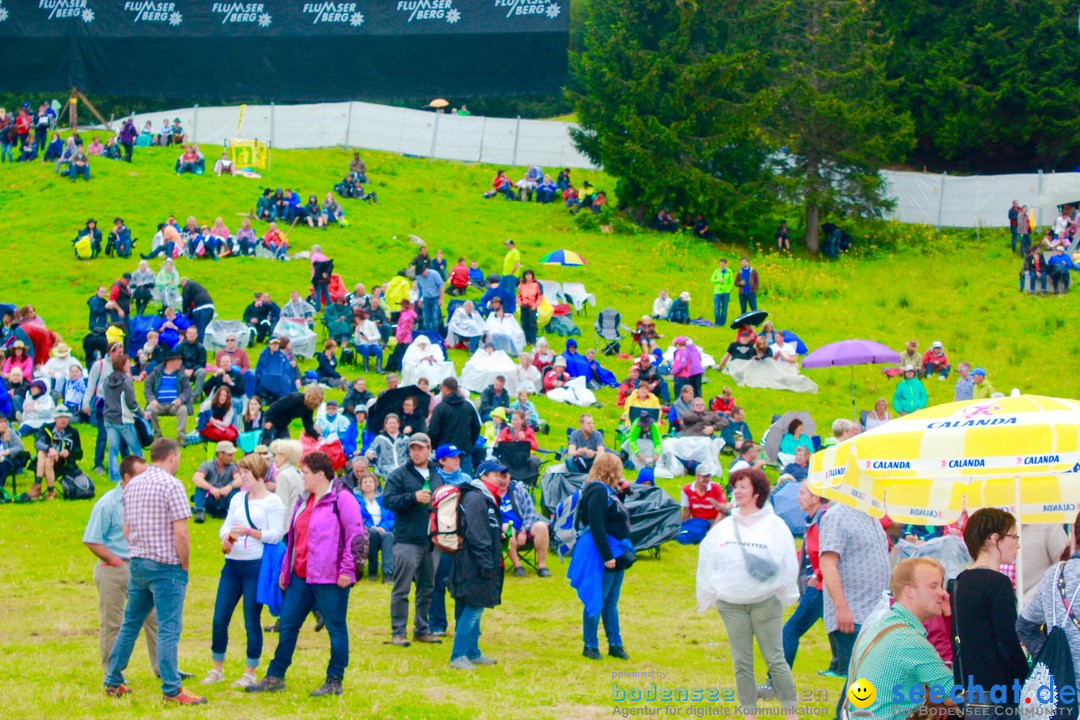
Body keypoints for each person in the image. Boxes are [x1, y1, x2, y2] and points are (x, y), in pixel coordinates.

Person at [247, 452, 363, 697]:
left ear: (320, 475)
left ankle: (334, 680)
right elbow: (294, 538)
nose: (302, 478)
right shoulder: (304, 500)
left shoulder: (342, 499)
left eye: (305, 473)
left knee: (335, 627)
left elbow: (355, 536)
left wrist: (347, 570)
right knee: (288, 624)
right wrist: (285, 570)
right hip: (301, 575)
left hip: (330, 577)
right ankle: (275, 676)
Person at [103, 439, 205, 705]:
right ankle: (172, 689)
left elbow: (126, 531)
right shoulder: (172, 485)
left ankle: (113, 680)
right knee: (169, 628)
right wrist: (184, 565)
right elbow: (181, 532)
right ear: (172, 457)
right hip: (166, 566)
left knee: (130, 624)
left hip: (137, 563)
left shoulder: (133, 484)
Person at [697, 468, 799, 717]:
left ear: (757, 492)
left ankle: (790, 712)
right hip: (731, 604)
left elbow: (787, 561)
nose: (737, 491)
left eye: (743, 486)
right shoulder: (726, 526)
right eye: (735, 486)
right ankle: (748, 712)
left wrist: (782, 590)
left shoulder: (774, 525)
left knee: (775, 659)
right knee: (742, 662)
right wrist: (711, 592)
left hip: (765, 602)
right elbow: (708, 556)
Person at [204, 453, 285, 688]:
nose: (241, 478)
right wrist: (226, 539)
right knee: (220, 618)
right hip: (233, 564)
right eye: (240, 474)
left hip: (256, 565)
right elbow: (227, 526)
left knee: (251, 619)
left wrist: (252, 533)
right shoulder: (238, 499)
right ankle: (217, 667)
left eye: (245, 474)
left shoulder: (273, 502)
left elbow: (276, 534)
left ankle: (250, 670)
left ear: (259, 475)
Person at [843, 559, 955, 720]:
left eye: (941, 586)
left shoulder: (877, 627)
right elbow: (954, 695)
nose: (942, 593)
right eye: (933, 586)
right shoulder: (909, 641)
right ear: (909, 591)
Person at [84, 455, 161, 677]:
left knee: (155, 619)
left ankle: (163, 669)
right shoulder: (107, 504)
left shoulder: (146, 501)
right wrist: (116, 561)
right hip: (114, 568)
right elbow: (92, 539)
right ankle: (112, 673)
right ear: (127, 477)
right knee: (112, 623)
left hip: (140, 567)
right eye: (141, 476)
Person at [758, 482, 830, 699]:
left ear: (816, 498)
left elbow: (826, 551)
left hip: (819, 588)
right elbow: (806, 552)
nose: (798, 497)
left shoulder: (823, 520)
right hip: (819, 585)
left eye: (802, 493)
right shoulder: (814, 520)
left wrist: (817, 575)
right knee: (847, 638)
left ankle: (777, 685)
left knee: (789, 631)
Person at [952, 508, 1027, 707]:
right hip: (1000, 691)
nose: (1018, 544)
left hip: (971, 691)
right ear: (995, 539)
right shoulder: (998, 583)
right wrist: (1025, 678)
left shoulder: (959, 582)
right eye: (1014, 536)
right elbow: (1007, 641)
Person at [382, 433, 445, 646]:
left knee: (427, 588)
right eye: (412, 448)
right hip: (407, 539)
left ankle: (422, 629)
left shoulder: (437, 475)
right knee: (402, 588)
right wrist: (412, 497)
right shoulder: (399, 475)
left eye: (420, 448)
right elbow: (388, 501)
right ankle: (398, 632)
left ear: (429, 449)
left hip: (431, 541)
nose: (416, 452)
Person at [570, 452, 633, 660]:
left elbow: (613, 517)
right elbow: (597, 526)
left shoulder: (607, 491)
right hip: (602, 551)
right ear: (611, 469)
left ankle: (615, 644)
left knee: (611, 602)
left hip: (616, 549)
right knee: (596, 598)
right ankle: (590, 645)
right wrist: (606, 556)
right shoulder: (597, 491)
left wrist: (622, 493)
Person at [819, 501, 890, 682]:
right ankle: (847, 711)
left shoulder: (871, 515)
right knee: (865, 676)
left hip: (873, 613)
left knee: (862, 677)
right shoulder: (837, 515)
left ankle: (845, 711)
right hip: (853, 613)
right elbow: (827, 563)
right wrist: (841, 608)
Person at [448, 462, 505, 669]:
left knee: (472, 607)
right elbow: (477, 533)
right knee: (473, 607)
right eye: (496, 474)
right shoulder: (476, 498)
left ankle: (472, 651)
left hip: (473, 560)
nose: (500, 479)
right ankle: (458, 655)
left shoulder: (485, 498)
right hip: (472, 562)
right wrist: (486, 563)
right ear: (484, 476)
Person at [427, 378, 481, 476]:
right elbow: (476, 427)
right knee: (465, 484)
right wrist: (469, 444)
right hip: (464, 451)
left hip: (445, 453)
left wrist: (435, 447)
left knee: (444, 484)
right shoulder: (468, 406)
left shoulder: (440, 408)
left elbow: (433, 431)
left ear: (446, 389)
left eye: (441, 388)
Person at [103, 355, 144, 484]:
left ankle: (114, 477)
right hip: (123, 419)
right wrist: (141, 413)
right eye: (127, 363)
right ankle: (142, 475)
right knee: (136, 449)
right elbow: (131, 402)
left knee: (113, 449)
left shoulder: (107, 380)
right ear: (122, 365)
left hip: (109, 418)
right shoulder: (126, 381)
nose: (129, 365)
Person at [32, 406, 82, 500]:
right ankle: (51, 492)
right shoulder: (46, 428)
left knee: (45, 457)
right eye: (61, 417)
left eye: (66, 417)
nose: (64, 420)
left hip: (63, 461)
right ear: (55, 418)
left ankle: (37, 485)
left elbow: (79, 451)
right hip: (46, 459)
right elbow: (37, 443)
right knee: (43, 454)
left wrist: (69, 452)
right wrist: (49, 449)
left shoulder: (73, 432)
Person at [144, 351, 193, 447]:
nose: (181, 363)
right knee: (150, 409)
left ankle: (181, 440)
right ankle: (157, 437)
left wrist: (180, 399)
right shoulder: (156, 373)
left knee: (183, 410)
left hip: (174, 405)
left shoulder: (181, 374)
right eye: (178, 361)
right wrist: (152, 399)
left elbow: (187, 390)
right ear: (170, 362)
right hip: (158, 404)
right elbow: (147, 387)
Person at [356, 471, 395, 582]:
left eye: (370, 481)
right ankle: (372, 570)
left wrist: (383, 527)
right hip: (367, 531)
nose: (368, 484)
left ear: (376, 484)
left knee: (388, 536)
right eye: (365, 482)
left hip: (383, 530)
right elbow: (357, 518)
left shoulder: (384, 499)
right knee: (372, 534)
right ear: (360, 486)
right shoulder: (357, 500)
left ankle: (388, 573)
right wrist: (371, 527)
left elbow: (392, 517)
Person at [192, 440, 241, 523]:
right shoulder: (207, 465)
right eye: (229, 455)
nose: (232, 458)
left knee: (235, 489)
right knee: (200, 487)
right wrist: (211, 488)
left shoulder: (233, 466)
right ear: (220, 454)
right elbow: (196, 478)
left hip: (225, 498)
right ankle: (200, 511)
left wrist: (229, 487)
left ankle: (230, 512)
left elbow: (240, 479)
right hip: (211, 497)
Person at [676, 465, 727, 545]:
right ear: (697, 476)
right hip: (698, 521)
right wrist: (685, 527)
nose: (707, 479)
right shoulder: (687, 489)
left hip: (715, 520)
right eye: (704, 476)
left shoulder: (716, 488)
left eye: (708, 476)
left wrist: (712, 530)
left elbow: (722, 511)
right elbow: (686, 511)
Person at [179, 278, 216, 343]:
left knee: (198, 329)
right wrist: (190, 316)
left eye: (181, 286)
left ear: (184, 282)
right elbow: (191, 305)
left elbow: (185, 299)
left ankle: (198, 346)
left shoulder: (188, 285)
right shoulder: (196, 288)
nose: (182, 288)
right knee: (201, 328)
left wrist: (184, 312)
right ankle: (199, 345)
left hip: (201, 308)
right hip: (210, 307)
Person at [517, 269, 542, 346]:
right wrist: (519, 302)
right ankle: (525, 340)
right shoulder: (522, 285)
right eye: (526, 275)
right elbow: (519, 295)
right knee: (524, 323)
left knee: (532, 324)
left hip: (532, 306)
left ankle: (533, 340)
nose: (528, 276)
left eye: (529, 275)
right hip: (524, 306)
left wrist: (535, 305)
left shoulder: (537, 284)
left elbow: (540, 296)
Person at [710, 258, 734, 327]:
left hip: (725, 292)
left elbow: (731, 282)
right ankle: (718, 322)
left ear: (726, 264)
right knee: (717, 308)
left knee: (724, 308)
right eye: (720, 264)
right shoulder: (716, 271)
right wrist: (718, 280)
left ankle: (723, 323)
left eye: (723, 264)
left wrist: (728, 290)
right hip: (717, 292)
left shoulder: (729, 272)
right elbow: (712, 280)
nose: (721, 266)